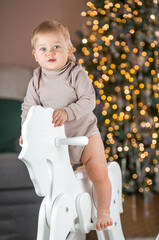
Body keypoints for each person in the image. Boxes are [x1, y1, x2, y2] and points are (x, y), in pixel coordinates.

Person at [20, 20, 113, 231]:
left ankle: (104, 211)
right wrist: (26, 131)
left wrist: (67, 112)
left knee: (98, 172)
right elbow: (29, 107)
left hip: (85, 135)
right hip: (58, 143)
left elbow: (89, 100)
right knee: (59, 184)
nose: (50, 52)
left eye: (56, 47)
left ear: (69, 49)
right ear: (35, 54)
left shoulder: (76, 73)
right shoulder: (36, 80)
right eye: (43, 49)